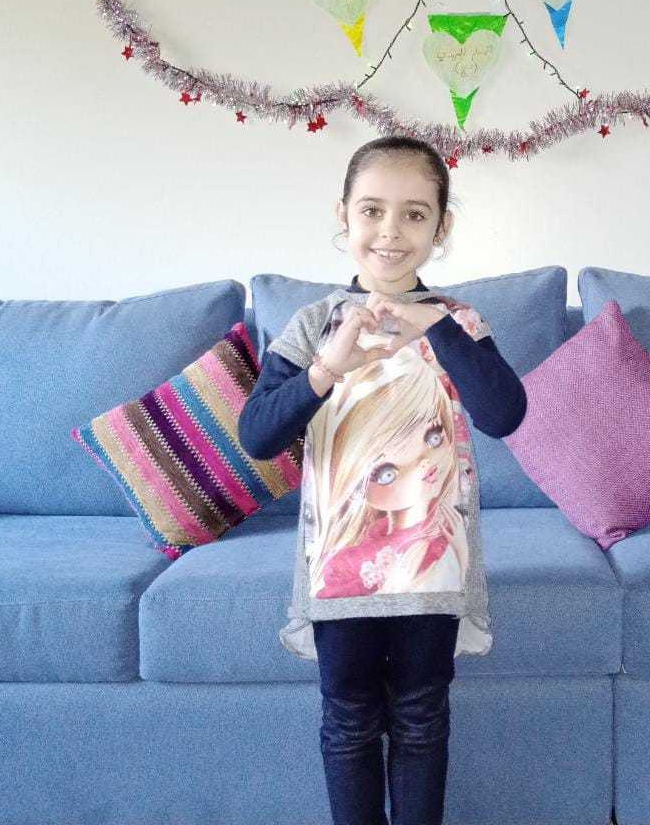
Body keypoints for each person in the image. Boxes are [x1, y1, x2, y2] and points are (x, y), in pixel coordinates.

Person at [237, 134, 527, 825]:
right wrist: (326, 368)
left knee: (423, 718)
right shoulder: (314, 324)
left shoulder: (458, 321)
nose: (390, 232)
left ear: (440, 227)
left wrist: (437, 328)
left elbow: (504, 414)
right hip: (339, 568)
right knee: (348, 720)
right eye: (372, 210)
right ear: (343, 215)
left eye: (414, 214)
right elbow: (258, 435)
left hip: (432, 566)